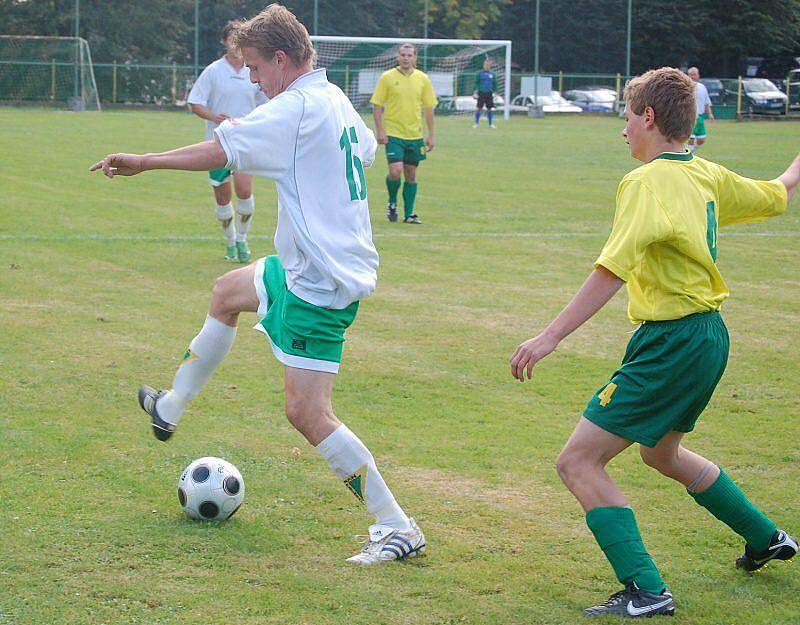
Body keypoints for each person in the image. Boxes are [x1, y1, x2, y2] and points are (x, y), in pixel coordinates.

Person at [91, 3, 425, 565]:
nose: (249, 79)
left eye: (253, 66)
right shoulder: (334, 97)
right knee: (226, 292)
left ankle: (396, 525)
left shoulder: (294, 106)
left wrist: (145, 160)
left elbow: (219, 150)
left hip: (319, 283)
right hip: (302, 265)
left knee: (307, 413)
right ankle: (169, 407)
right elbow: (364, 151)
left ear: (280, 57)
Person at [509, 67, 799, 618]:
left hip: (671, 340)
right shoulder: (705, 173)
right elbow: (775, 193)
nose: (622, 130)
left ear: (648, 117)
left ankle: (646, 589)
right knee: (661, 452)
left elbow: (611, 270)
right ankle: (766, 537)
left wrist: (547, 337)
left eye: (625, 117)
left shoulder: (644, 183)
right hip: (710, 336)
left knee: (578, 462)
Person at [187, 20, 268, 263]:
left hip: (245, 141)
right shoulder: (214, 71)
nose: (235, 42)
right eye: (232, 37)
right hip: (218, 144)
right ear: (223, 41)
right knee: (223, 198)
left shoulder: (252, 70)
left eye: (240, 38)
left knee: (244, 191)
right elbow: (195, 102)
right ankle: (230, 241)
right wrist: (213, 116)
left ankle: (243, 239)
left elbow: (265, 102)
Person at [370, 43, 437, 224]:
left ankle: (409, 214)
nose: (406, 58)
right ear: (398, 57)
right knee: (395, 171)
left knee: (411, 174)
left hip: (414, 136)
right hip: (394, 134)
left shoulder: (422, 79)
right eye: (403, 55)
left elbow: (429, 108)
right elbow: (377, 105)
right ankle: (392, 203)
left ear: (415, 58)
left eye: (410, 55)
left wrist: (431, 135)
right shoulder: (387, 77)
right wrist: (380, 130)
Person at [687, 66, 714, 153]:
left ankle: (689, 153)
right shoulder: (685, 87)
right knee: (691, 138)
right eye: (691, 75)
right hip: (690, 117)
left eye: (694, 75)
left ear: (698, 75)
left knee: (702, 139)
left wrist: (710, 114)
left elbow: (707, 102)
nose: (693, 77)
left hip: (700, 117)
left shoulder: (702, 87)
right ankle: (689, 156)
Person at [473, 57, 498, 129]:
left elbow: (495, 84)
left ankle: (491, 124)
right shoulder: (479, 73)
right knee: (479, 108)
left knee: (490, 109)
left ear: (490, 66)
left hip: (489, 93)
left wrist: (495, 92)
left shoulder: (493, 74)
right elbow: (476, 83)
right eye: (485, 65)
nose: (487, 66)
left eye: (488, 65)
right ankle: (476, 123)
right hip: (481, 93)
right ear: (483, 65)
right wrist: (475, 92)